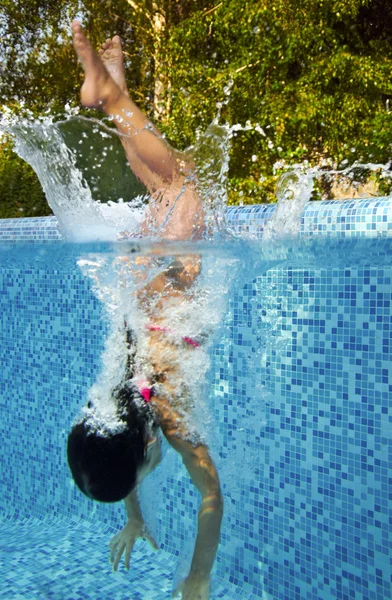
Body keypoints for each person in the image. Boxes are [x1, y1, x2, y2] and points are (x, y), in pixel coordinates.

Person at [67, 21, 223, 600]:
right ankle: (110, 91)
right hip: (146, 280)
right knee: (161, 183)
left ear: (148, 450)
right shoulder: (116, 405)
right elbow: (126, 453)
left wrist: (198, 576)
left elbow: (213, 499)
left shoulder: (171, 425)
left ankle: (113, 96)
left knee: (181, 180)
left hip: (177, 273)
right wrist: (133, 517)